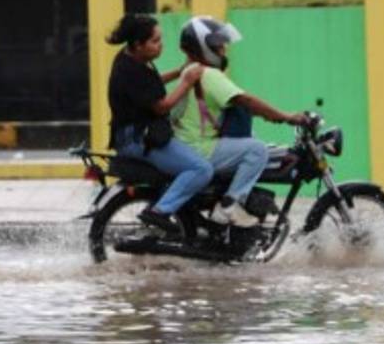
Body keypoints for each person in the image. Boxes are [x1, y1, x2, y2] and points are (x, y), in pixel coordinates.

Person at [171, 16, 308, 227]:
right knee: (257, 150)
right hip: (199, 148)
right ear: (203, 46)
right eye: (217, 45)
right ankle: (229, 204)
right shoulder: (208, 74)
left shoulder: (192, 71)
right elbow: (245, 100)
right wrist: (286, 117)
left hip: (189, 146)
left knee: (251, 143)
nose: (223, 50)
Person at [108, 13, 210, 235]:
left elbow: (150, 85)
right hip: (137, 139)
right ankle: (160, 211)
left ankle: (188, 217)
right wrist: (187, 81)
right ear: (138, 44)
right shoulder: (131, 70)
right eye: (155, 41)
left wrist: (180, 70)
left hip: (137, 135)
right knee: (201, 168)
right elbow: (161, 106)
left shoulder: (132, 58)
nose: (160, 46)